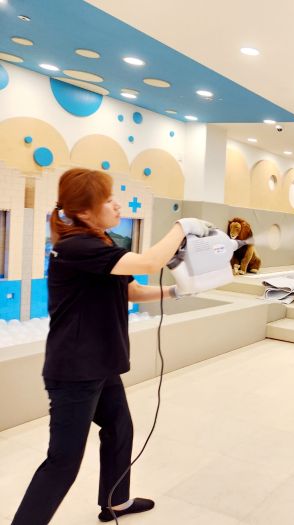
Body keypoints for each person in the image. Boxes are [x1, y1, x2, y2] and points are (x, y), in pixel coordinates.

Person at [11, 168, 213, 524]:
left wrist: (175, 291)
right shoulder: (76, 247)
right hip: (75, 370)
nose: (117, 205)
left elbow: (131, 290)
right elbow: (151, 262)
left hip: (100, 363)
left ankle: (116, 502)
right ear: (84, 212)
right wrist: (182, 226)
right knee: (63, 462)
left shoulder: (101, 242)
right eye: (108, 200)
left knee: (120, 428)